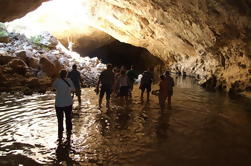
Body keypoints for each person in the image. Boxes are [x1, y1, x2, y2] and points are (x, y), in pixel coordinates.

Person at [52, 69, 75, 140]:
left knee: (60, 120)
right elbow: (73, 89)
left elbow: (53, 87)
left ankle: (60, 135)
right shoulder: (69, 81)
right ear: (66, 74)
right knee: (68, 119)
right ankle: (69, 135)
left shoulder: (57, 81)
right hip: (68, 103)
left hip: (59, 104)